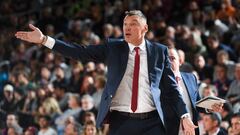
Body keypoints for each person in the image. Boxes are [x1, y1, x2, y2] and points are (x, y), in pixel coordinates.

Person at [16, 10, 196, 135]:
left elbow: (171, 88)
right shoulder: (114, 47)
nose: (127, 28)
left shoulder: (159, 51)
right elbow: (80, 51)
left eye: (133, 24)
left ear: (145, 29)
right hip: (121, 122)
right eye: (125, 24)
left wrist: (185, 116)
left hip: (152, 121)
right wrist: (45, 40)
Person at [167, 48, 223, 135]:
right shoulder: (158, 82)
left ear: (180, 61)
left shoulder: (191, 78)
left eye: (172, 58)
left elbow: (196, 104)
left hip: (191, 131)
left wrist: (210, 107)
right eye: (166, 59)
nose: (169, 62)